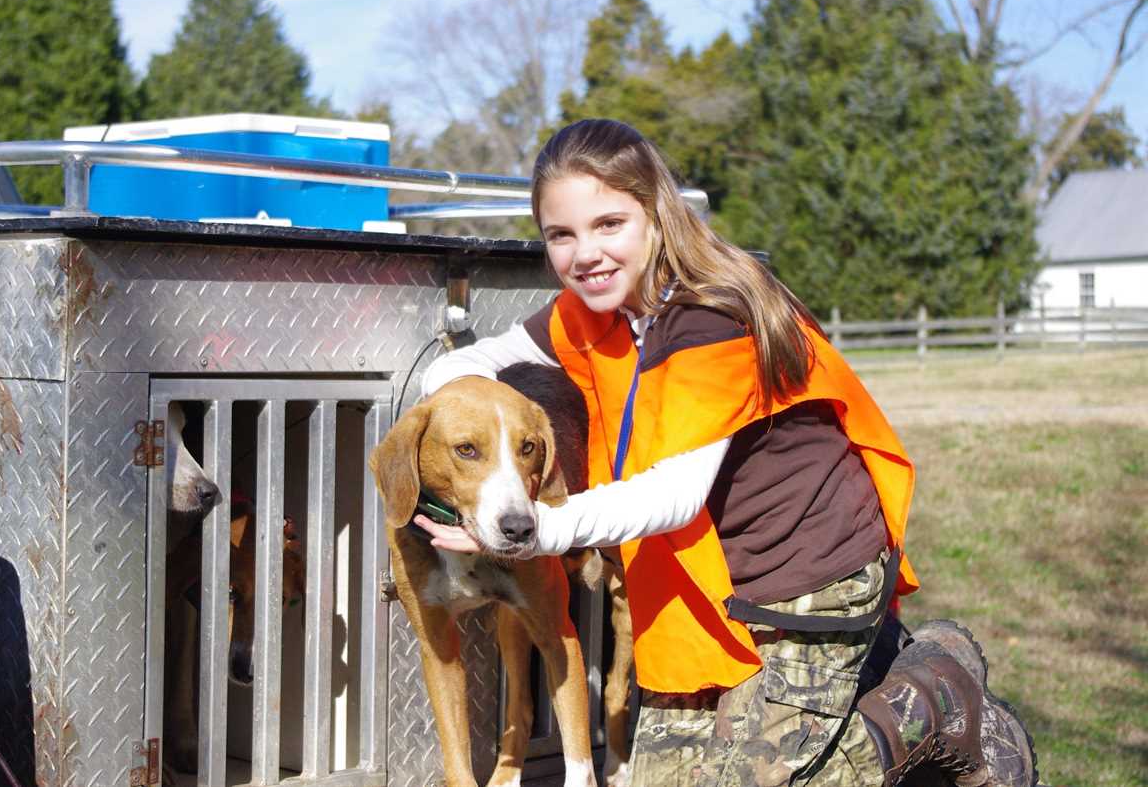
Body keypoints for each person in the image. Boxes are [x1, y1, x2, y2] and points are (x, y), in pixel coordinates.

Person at [414, 119, 1037, 787]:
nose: (584, 252)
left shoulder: (709, 317)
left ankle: (937, 700)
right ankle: (862, 673)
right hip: (710, 582)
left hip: (805, 574)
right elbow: (487, 357)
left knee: (763, 780)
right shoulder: (594, 309)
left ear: (657, 216)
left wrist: (540, 527)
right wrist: (449, 398)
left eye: (609, 224)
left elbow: (671, 495)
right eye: (560, 235)